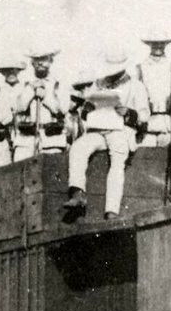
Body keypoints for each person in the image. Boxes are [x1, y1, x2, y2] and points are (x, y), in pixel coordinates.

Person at [63, 50, 148, 218]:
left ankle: (111, 210)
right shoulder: (99, 84)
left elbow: (144, 116)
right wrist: (87, 108)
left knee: (117, 159)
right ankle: (78, 192)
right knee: (79, 147)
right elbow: (87, 111)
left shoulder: (136, 86)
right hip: (99, 129)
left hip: (122, 130)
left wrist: (128, 113)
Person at [13, 49, 67, 160]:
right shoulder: (23, 84)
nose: (40, 63)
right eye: (37, 59)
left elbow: (62, 110)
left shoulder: (59, 84)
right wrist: (31, 89)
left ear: (51, 61)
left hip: (52, 141)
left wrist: (45, 97)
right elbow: (17, 107)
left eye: (44, 59)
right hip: (26, 141)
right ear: (32, 62)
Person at [135, 32, 171, 149]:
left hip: (168, 122)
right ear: (149, 45)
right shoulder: (141, 67)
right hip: (148, 122)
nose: (158, 46)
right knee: (147, 158)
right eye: (154, 43)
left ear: (166, 44)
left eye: (161, 43)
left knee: (170, 160)